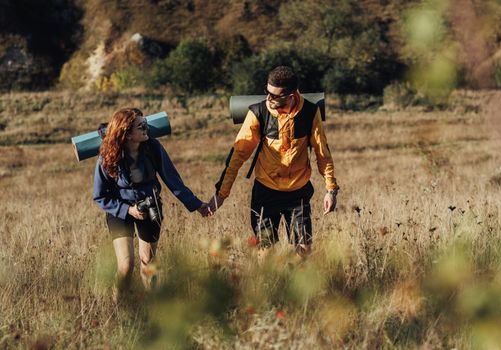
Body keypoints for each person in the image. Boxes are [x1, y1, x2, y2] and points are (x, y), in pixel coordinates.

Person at [209, 66, 339, 257]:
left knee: (303, 253)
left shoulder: (310, 112)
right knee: (266, 254)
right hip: (265, 192)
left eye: (275, 96)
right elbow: (237, 155)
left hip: (298, 192)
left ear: (292, 95)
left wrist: (331, 189)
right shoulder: (258, 112)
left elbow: (322, 152)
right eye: (267, 93)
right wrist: (221, 194)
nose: (269, 99)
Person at [93, 108, 209, 298]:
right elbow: (99, 195)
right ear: (127, 133)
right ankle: (119, 305)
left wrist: (196, 205)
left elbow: (173, 180)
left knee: (148, 261)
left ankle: (153, 306)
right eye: (142, 126)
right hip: (120, 211)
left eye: (145, 123)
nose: (148, 128)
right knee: (126, 265)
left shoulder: (153, 147)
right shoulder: (108, 156)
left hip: (150, 206)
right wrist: (128, 210)